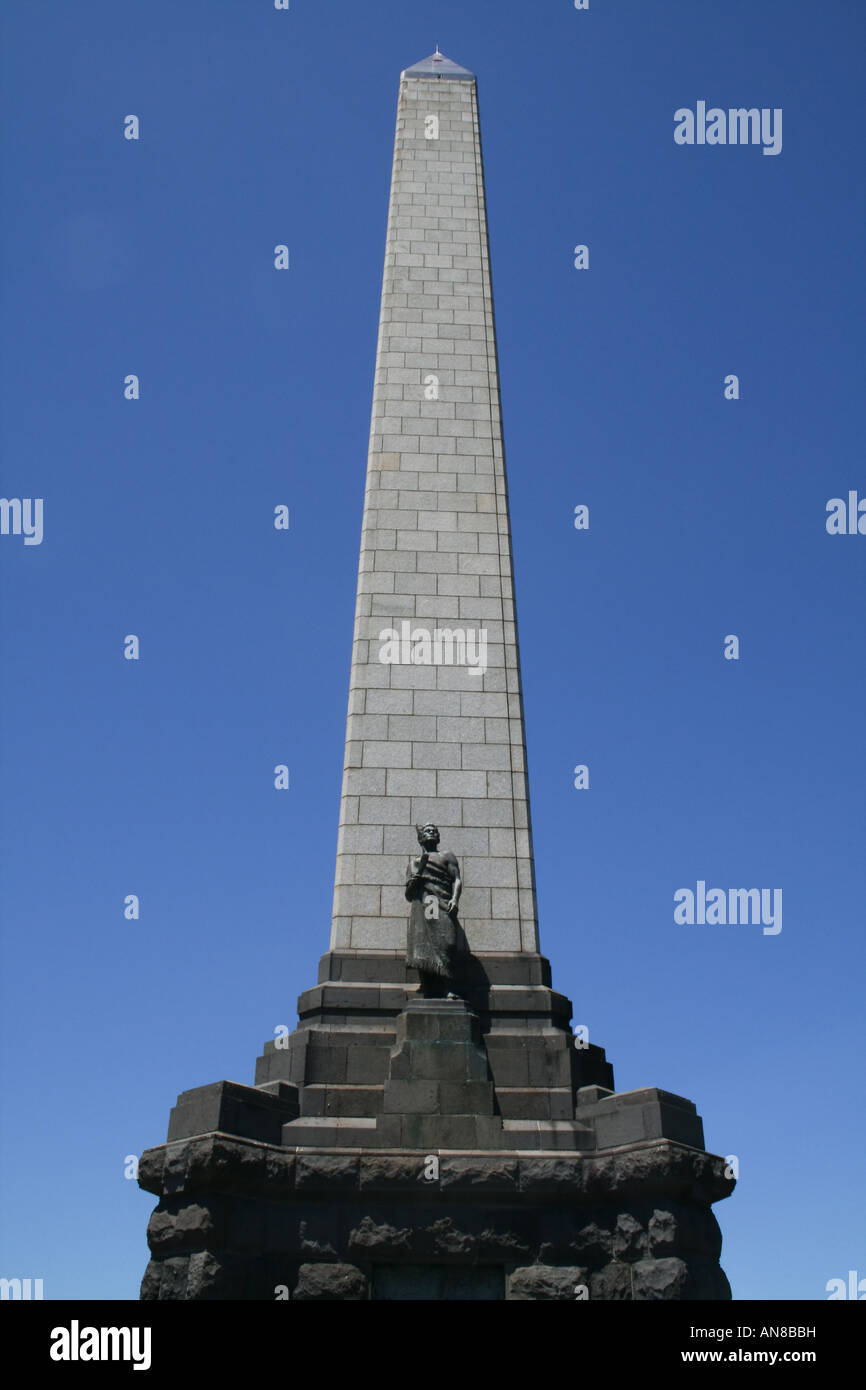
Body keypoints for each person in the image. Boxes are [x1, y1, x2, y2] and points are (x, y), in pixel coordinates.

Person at [405, 823, 461, 999]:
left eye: (434, 831)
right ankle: (428, 987)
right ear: (421, 838)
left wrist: (454, 899)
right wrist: (414, 881)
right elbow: (408, 894)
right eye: (427, 831)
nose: (431, 833)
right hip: (426, 905)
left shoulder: (447, 856)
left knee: (447, 941)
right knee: (423, 943)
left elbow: (457, 880)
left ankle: (449, 985)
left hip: (442, 903)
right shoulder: (415, 863)